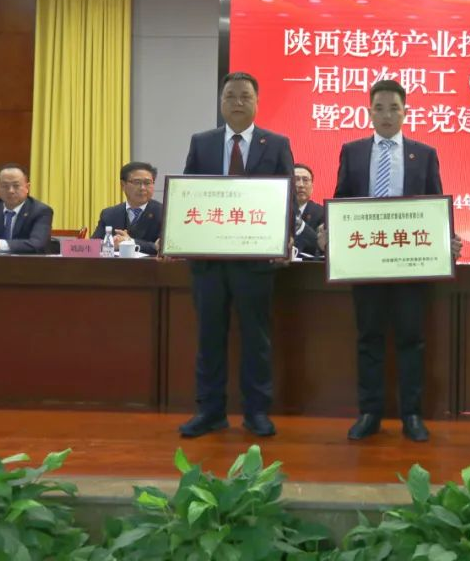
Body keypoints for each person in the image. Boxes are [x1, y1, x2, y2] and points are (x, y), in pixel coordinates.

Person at [318, 78, 461, 442]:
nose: (386, 115)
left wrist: (446, 240)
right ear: (369, 112)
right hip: (366, 264)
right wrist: (329, 233)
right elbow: (341, 200)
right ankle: (370, 413)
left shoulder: (423, 153)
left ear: (405, 112)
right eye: (379, 108)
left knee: (412, 339)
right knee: (369, 339)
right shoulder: (352, 152)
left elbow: (434, 204)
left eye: (393, 108)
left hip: (409, 266)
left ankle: (412, 415)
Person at [178, 71, 295, 439]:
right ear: (221, 102)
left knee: (256, 340)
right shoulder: (202, 143)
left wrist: (285, 238)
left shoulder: (276, 144)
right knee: (209, 338)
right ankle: (210, 411)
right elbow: (187, 195)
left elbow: (288, 197)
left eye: (245, 96)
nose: (237, 102)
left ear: (257, 102)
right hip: (209, 262)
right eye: (230, 95)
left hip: (255, 262)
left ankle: (256, 412)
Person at [92, 162, 163, 256]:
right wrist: (111, 244)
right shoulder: (109, 214)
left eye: (147, 183)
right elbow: (93, 245)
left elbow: (161, 247)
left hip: (150, 265)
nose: (142, 188)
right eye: (137, 182)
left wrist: (130, 242)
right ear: (123, 185)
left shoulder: (164, 213)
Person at [293, 163, 324, 258]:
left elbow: (321, 246)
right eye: (296, 179)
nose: (301, 185)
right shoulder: (277, 211)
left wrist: (301, 226)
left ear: (312, 187)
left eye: (305, 180)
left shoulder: (322, 213)